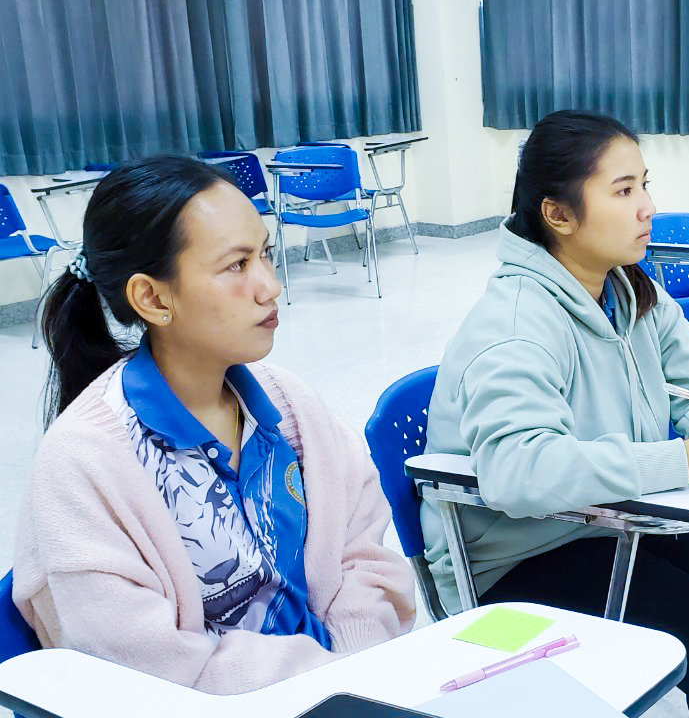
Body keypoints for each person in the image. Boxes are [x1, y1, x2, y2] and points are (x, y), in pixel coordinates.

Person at [421, 109, 689, 718]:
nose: (648, 207)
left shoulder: (629, 290)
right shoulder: (517, 321)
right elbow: (517, 470)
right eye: (623, 191)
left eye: (644, 186)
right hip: (522, 559)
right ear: (558, 214)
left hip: (620, 517)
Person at [13, 156, 417, 694]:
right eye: (237, 265)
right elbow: (148, 666)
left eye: (265, 254)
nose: (270, 286)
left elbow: (363, 555)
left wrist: (354, 667)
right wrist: (325, 679)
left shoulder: (288, 406)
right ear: (153, 298)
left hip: (348, 687)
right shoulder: (85, 462)